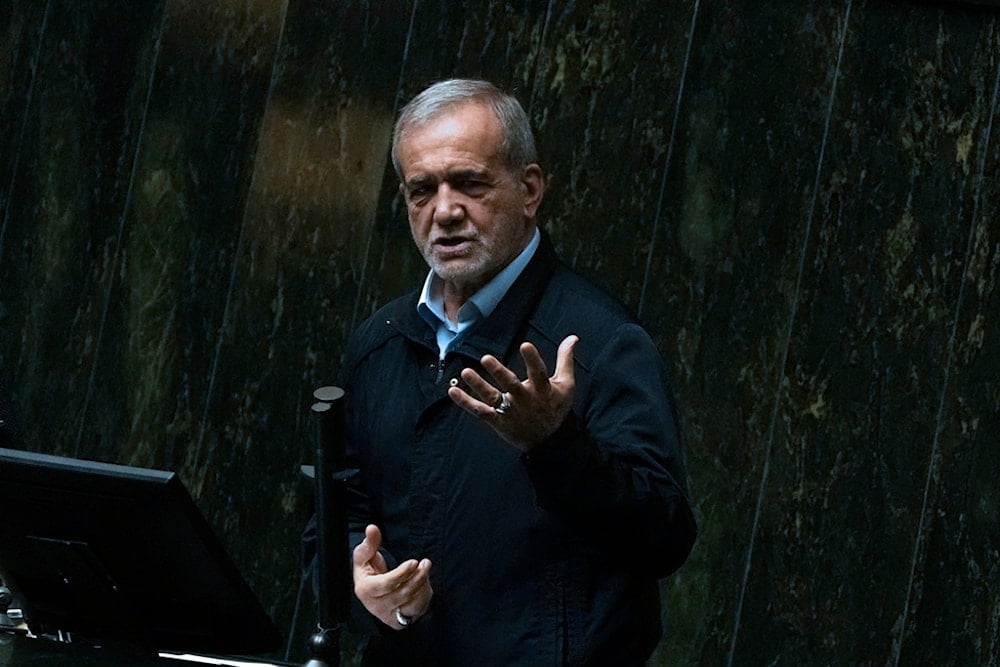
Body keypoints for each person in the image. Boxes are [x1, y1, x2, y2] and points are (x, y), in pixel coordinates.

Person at [320, 78, 697, 665]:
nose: (445, 211)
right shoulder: (379, 345)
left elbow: (665, 536)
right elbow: (337, 516)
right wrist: (360, 587)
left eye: (469, 183)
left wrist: (555, 444)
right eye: (423, 190)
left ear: (529, 189)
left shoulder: (600, 341)